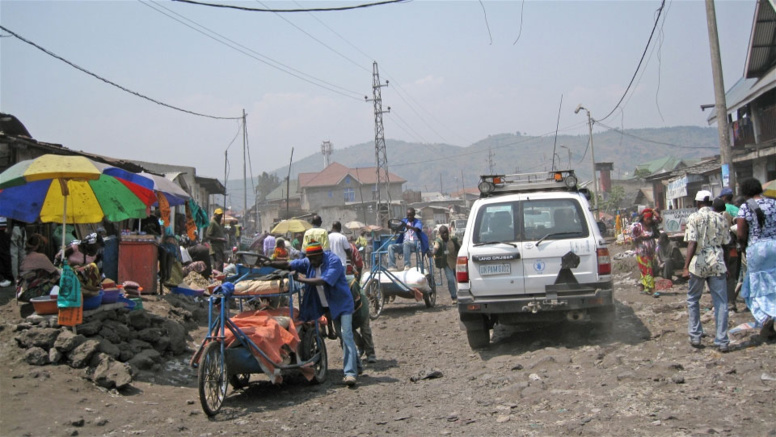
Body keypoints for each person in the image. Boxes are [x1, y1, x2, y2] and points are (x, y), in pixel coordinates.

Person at [259, 242, 360, 387]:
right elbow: (289, 264)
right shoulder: (309, 262)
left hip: (342, 303)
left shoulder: (333, 261)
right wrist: (270, 263)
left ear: (320, 255)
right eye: (309, 259)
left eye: (314, 259)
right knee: (342, 335)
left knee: (346, 334)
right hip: (327, 305)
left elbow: (324, 281)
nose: (311, 262)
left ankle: (350, 373)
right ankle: (358, 365)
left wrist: (300, 279)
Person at [683, 189, 731, 352]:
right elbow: (726, 244)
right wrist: (727, 265)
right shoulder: (721, 218)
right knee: (721, 302)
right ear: (711, 202)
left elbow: (692, 243)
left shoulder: (694, 217)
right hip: (717, 261)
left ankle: (695, 335)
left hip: (699, 263)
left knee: (693, 299)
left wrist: (685, 267)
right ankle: (722, 340)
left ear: (697, 203)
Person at [735, 177, 776, 340]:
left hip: (757, 249)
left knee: (756, 287)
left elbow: (740, 233)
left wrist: (743, 245)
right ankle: (771, 322)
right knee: (773, 283)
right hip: (774, 246)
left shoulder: (745, 207)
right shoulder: (773, 203)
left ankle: (764, 316)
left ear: (745, 192)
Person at [15, 234, 60, 302]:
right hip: (30, 293)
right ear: (38, 246)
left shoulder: (23, 256)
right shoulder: (41, 257)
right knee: (58, 279)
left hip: (20, 293)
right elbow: (55, 272)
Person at [631, 208, 661, 296]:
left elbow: (659, 219)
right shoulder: (637, 226)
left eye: (650, 218)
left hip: (651, 251)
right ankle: (652, 288)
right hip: (642, 252)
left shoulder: (652, 225)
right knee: (648, 270)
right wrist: (639, 238)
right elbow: (633, 238)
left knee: (646, 269)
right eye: (647, 219)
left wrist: (652, 210)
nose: (649, 220)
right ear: (643, 218)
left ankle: (644, 286)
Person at [433, 225, 460, 303]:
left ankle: (463, 294)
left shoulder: (453, 239)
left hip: (456, 262)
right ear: (440, 233)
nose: (444, 235)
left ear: (448, 232)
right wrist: (433, 252)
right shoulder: (439, 241)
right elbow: (436, 247)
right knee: (450, 280)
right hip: (447, 263)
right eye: (443, 233)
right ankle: (454, 297)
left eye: (446, 233)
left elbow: (460, 247)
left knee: (460, 279)